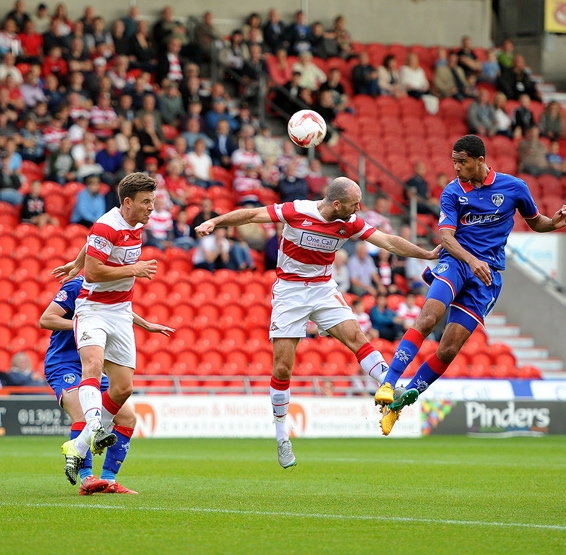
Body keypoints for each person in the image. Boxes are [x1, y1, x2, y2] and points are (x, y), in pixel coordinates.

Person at [194, 177, 440, 468]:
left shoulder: (349, 222)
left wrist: (425, 253)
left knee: (357, 337)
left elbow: (386, 240)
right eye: (353, 203)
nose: (358, 208)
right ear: (337, 203)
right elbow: (250, 214)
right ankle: (281, 434)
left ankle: (389, 386)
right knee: (283, 366)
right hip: (290, 291)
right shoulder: (296, 211)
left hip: (323, 288)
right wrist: (215, 222)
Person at [374, 134, 566, 436]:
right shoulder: (452, 192)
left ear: (480, 160)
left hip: (487, 279)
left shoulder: (515, 188)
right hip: (456, 263)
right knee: (427, 317)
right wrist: (472, 260)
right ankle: (388, 383)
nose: (456, 167)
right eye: (454, 161)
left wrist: (555, 222)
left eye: (461, 162)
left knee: (449, 349)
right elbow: (446, 237)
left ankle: (399, 404)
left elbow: (537, 222)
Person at [52, 172, 163, 486]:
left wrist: (74, 263)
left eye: (152, 201)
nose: (151, 208)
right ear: (127, 203)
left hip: (121, 311)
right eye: (145, 202)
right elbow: (96, 270)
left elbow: (91, 250)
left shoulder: (135, 223)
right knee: (93, 365)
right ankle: (95, 431)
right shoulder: (106, 224)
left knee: (123, 387)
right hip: (93, 308)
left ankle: (79, 443)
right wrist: (135, 270)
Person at [39, 275, 172, 494]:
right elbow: (46, 319)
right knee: (83, 414)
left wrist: (145, 324)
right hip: (65, 364)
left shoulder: (109, 285)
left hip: (94, 364)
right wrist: (83, 323)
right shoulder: (77, 285)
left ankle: (108, 480)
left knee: (127, 418)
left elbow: (118, 312)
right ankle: (86, 478)